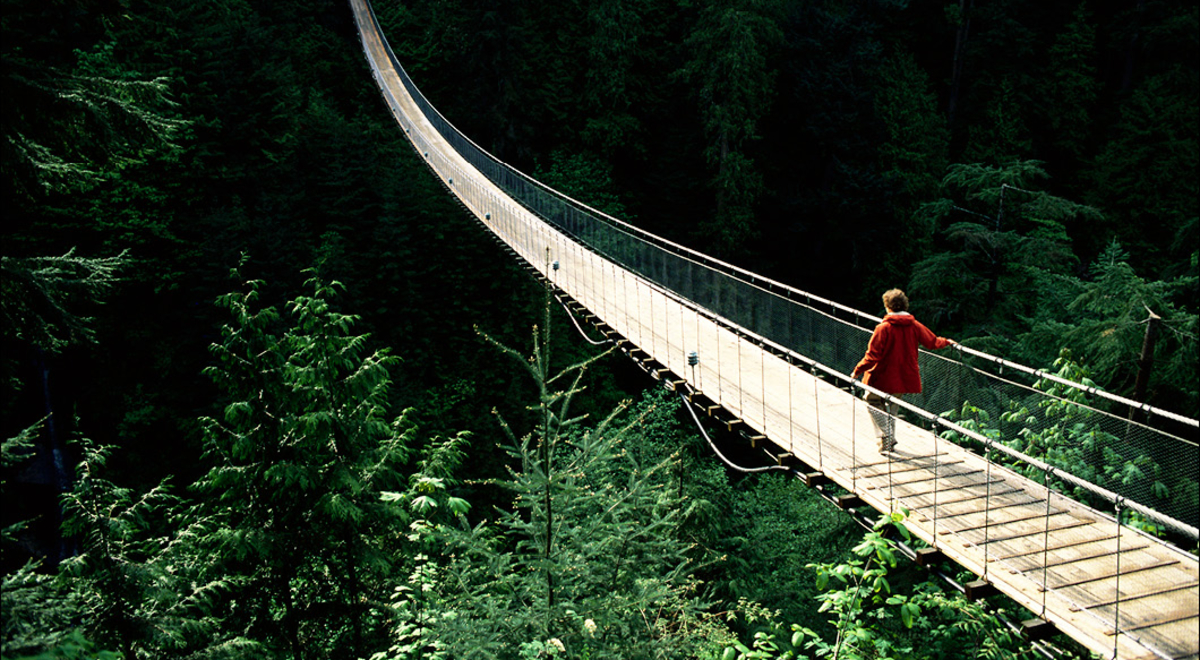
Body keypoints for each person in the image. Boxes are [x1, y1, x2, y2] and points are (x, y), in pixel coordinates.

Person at [851, 289, 955, 452]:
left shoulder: (883, 328)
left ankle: (886, 436)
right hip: (904, 375)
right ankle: (888, 439)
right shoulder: (914, 325)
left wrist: (857, 370)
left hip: (882, 375)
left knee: (871, 400)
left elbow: (872, 356)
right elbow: (932, 342)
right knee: (892, 406)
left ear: (887, 307)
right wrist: (947, 342)